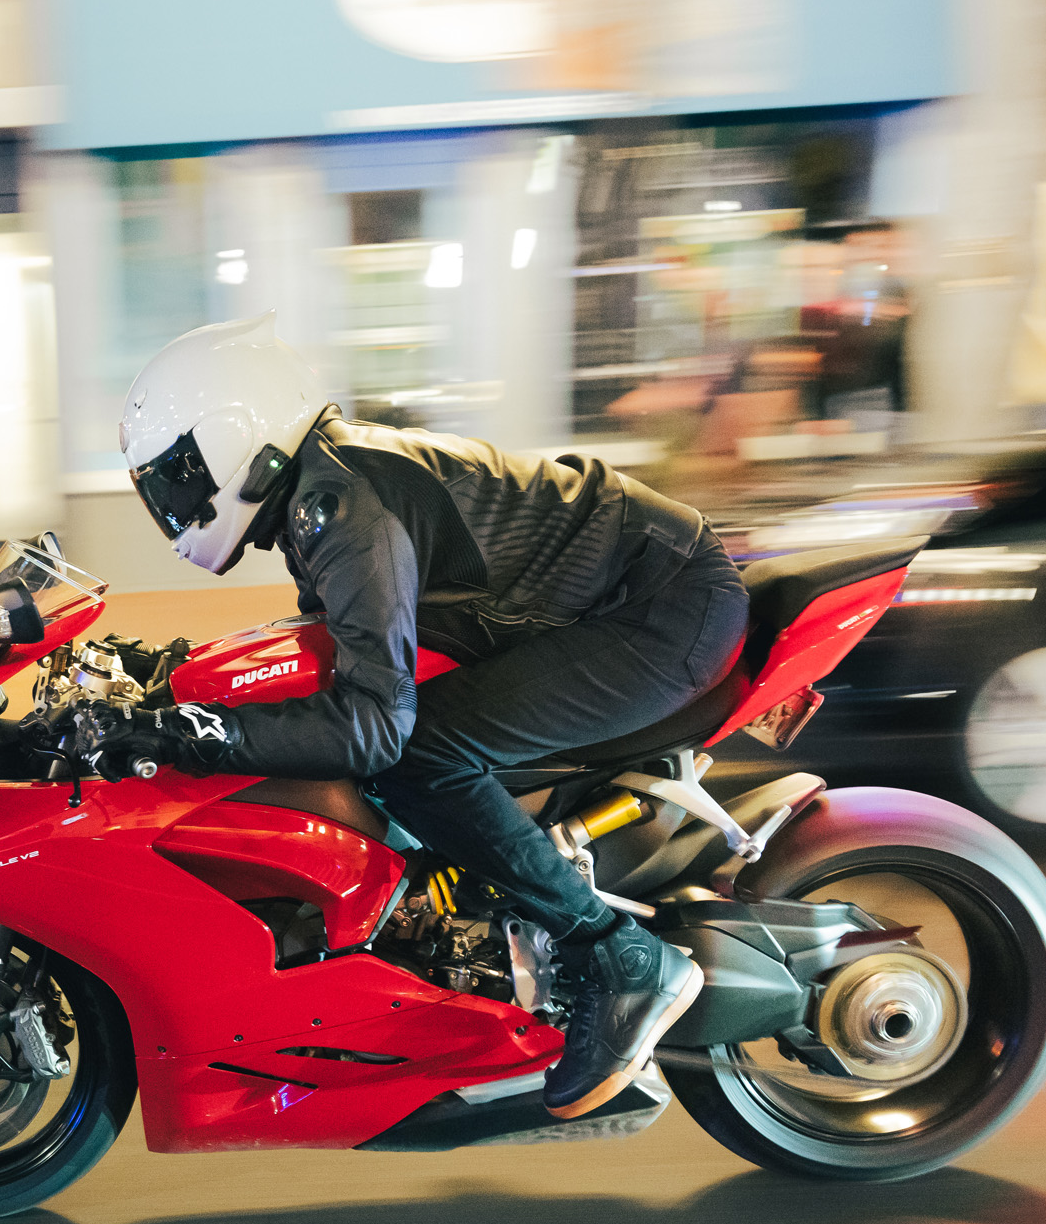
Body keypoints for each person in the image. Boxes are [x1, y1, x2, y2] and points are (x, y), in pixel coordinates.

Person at [96, 314, 748, 1119]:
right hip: (626, 591)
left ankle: (620, 959)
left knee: (419, 757)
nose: (175, 502)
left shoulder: (343, 505)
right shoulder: (318, 492)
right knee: (407, 745)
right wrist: (173, 680)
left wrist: (197, 737)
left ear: (234, 434)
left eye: (178, 476)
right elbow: (338, 644)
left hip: (661, 607)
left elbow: (373, 726)